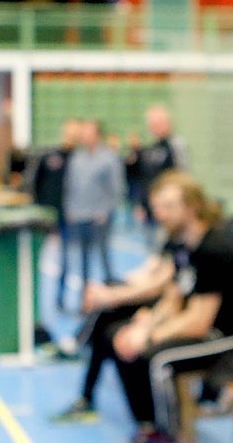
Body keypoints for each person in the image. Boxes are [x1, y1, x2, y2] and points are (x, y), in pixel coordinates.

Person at [109, 171, 233, 443]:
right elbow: (174, 298)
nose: (159, 214)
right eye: (158, 207)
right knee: (127, 340)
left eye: (168, 207)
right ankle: (149, 432)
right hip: (205, 330)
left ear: (191, 208)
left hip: (231, 337)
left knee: (159, 359)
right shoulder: (183, 245)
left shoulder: (214, 248)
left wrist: (149, 337)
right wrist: (145, 326)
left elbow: (199, 321)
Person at [48, 213, 185, 425]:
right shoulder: (172, 239)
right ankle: (87, 394)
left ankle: (78, 350)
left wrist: (115, 296)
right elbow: (150, 269)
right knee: (105, 319)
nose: (160, 213)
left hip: (162, 306)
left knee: (112, 326)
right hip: (155, 301)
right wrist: (115, 288)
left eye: (168, 207)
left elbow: (161, 286)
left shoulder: (191, 246)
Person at [61, 119, 122, 306]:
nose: (84, 136)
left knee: (104, 255)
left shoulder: (109, 157)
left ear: (97, 135)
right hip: (79, 215)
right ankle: (85, 300)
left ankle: (112, 295)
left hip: (100, 217)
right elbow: (70, 185)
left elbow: (117, 187)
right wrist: (70, 209)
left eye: (88, 132)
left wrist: (106, 210)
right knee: (82, 258)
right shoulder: (77, 158)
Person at [26, 119, 77, 312]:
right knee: (37, 258)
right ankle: (33, 302)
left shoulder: (79, 159)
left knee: (66, 260)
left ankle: (61, 299)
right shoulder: (49, 156)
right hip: (45, 217)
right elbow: (35, 183)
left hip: (69, 217)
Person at [129, 105, 186, 228]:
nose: (152, 127)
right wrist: (142, 205)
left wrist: (172, 208)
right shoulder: (151, 148)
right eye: (150, 123)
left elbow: (181, 177)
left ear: (167, 123)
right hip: (150, 211)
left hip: (167, 212)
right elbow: (144, 179)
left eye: (156, 123)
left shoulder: (175, 145)